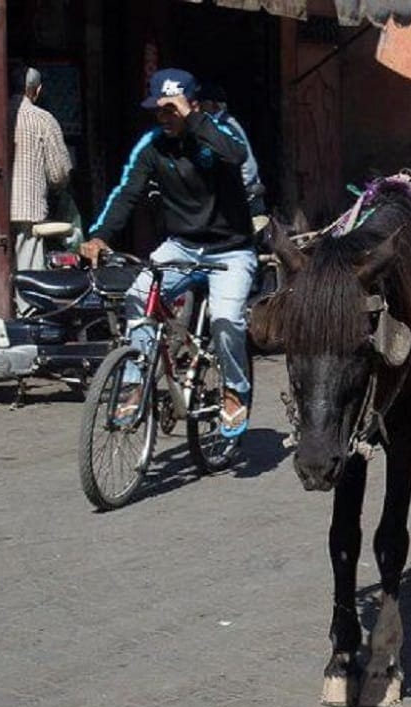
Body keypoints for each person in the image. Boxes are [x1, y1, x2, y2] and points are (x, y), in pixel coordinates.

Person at [79, 68, 254, 436]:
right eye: (159, 111)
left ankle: (234, 390)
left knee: (225, 320)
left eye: (171, 110)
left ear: (191, 105)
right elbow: (127, 191)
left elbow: (236, 155)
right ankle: (135, 382)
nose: (165, 118)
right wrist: (99, 236)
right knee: (137, 297)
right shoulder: (152, 145)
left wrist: (193, 119)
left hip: (232, 251)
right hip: (180, 247)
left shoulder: (219, 131)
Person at [9, 64, 74, 274]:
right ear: (36, 90)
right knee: (27, 276)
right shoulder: (43, 119)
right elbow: (59, 173)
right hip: (27, 211)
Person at [197, 84, 266, 219]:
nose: (198, 108)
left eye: (201, 104)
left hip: (244, 199)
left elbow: (248, 167)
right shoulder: (218, 125)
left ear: (212, 105)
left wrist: (240, 191)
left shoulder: (225, 127)